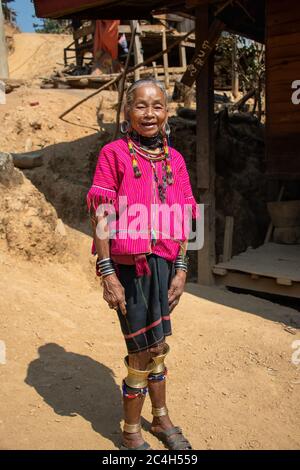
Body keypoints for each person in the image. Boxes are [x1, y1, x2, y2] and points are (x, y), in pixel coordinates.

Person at [87, 78, 198, 450]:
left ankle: (161, 417)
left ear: (166, 113)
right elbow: (101, 212)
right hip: (128, 267)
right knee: (141, 349)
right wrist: (106, 273)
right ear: (127, 111)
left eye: (157, 106)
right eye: (141, 105)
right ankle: (131, 430)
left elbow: (184, 216)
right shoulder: (114, 154)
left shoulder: (175, 159)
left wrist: (182, 267)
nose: (149, 113)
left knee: (159, 344)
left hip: (165, 263)